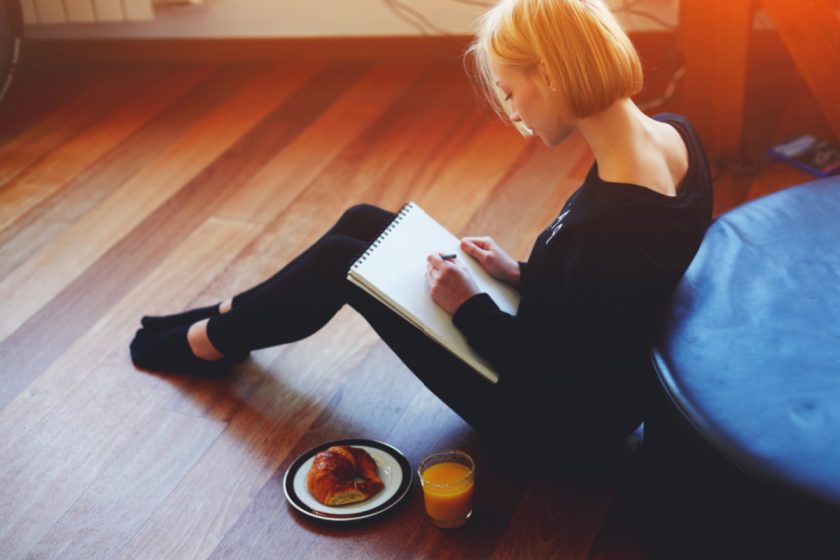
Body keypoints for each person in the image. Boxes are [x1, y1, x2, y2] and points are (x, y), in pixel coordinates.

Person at [131, 0, 712, 463]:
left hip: (547, 422)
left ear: (552, 76)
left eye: (511, 92)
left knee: (345, 262)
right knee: (363, 221)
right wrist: (521, 274)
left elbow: (543, 365)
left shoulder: (612, 219)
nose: (513, 113)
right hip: (587, 377)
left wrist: (467, 308)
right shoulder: (672, 137)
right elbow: (613, 297)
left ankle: (209, 339)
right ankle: (230, 318)